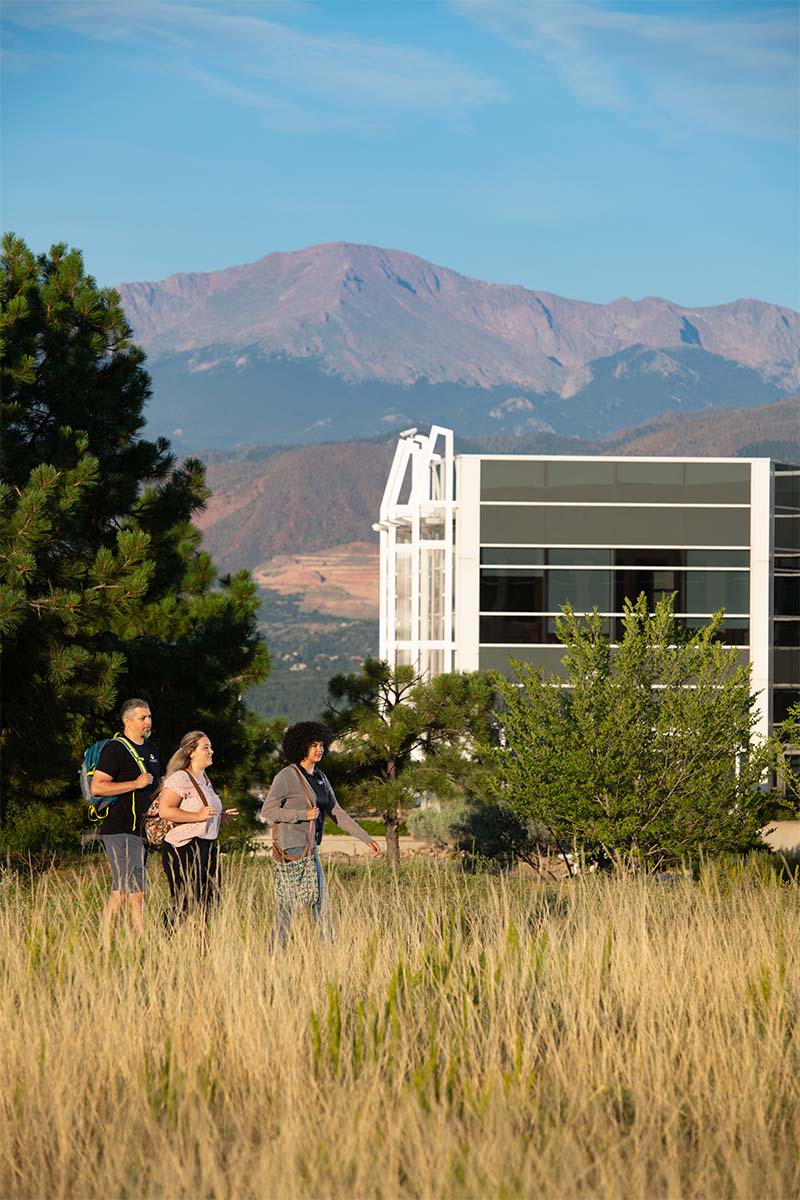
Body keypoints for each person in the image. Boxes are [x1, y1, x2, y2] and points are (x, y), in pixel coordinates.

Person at [261, 721, 380, 947]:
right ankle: (314, 949)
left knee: (309, 902)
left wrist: (367, 838)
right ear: (300, 747)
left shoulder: (320, 777)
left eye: (322, 744)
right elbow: (268, 810)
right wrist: (301, 814)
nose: (320, 749)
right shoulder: (287, 776)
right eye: (314, 744)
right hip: (293, 848)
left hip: (310, 847)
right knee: (304, 902)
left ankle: (290, 950)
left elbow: (336, 811)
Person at [91, 697, 162, 938]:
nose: (148, 722)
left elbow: (154, 788)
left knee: (124, 890)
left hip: (140, 831)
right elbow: (98, 787)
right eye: (143, 718)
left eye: (150, 716)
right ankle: (136, 941)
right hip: (120, 828)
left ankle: (113, 941)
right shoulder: (116, 749)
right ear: (127, 720)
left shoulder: (150, 751)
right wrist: (135, 783)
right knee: (132, 890)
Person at [157, 731, 239, 926]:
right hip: (183, 848)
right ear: (191, 752)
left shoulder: (205, 780)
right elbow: (165, 810)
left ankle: (201, 949)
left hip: (207, 847)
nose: (211, 751)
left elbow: (202, 812)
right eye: (206, 747)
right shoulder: (180, 778)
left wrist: (219, 816)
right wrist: (198, 816)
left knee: (209, 901)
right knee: (184, 902)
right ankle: (167, 942)